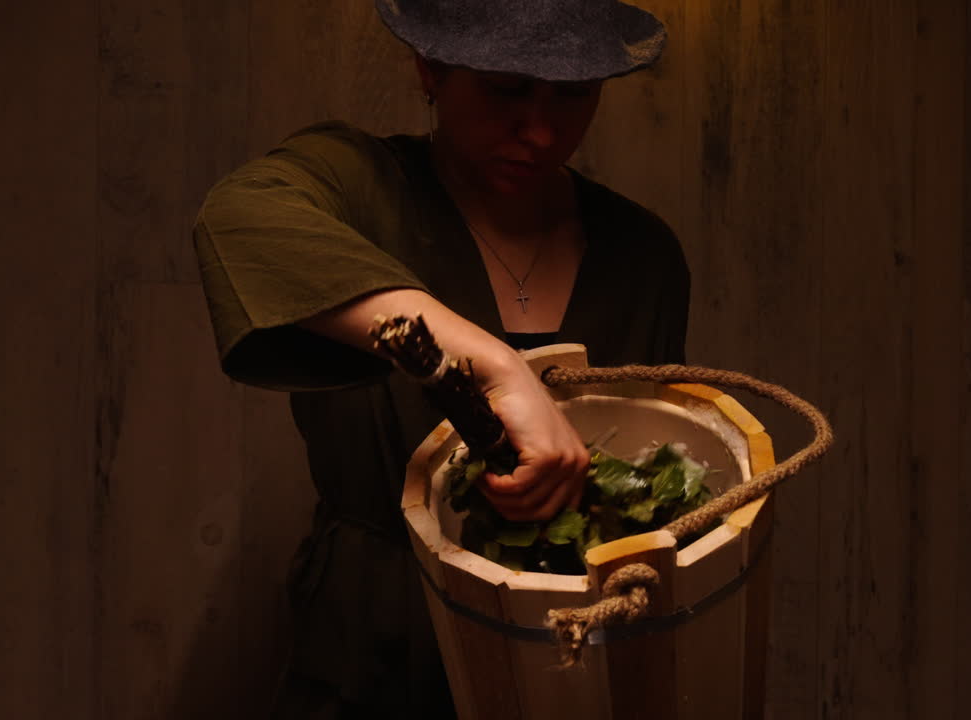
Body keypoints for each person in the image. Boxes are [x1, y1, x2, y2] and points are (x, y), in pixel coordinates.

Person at [193, 0, 688, 716]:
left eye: (574, 95)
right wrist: (496, 365)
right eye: (506, 89)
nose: (539, 130)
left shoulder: (644, 255)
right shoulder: (357, 183)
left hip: (572, 655)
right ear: (431, 68)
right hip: (371, 646)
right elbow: (241, 216)